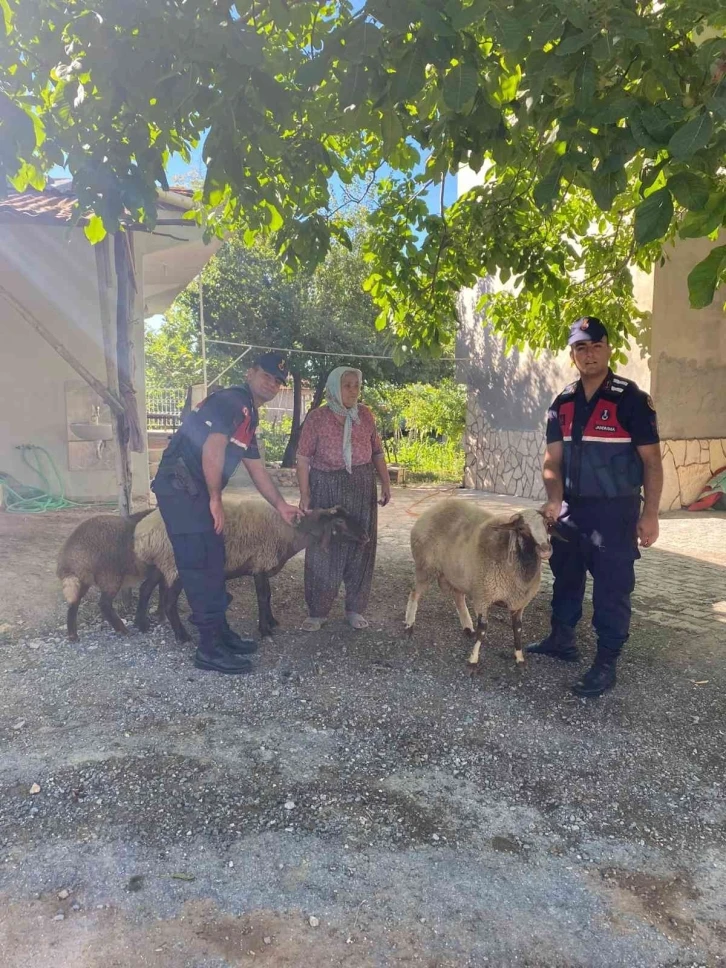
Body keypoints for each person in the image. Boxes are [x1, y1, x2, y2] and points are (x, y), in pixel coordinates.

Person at [527, 316, 663, 697]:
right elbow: (552, 461)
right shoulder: (563, 403)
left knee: (612, 586)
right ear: (573, 355)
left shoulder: (631, 400)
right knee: (565, 574)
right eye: (580, 348)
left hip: (615, 513)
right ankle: (562, 639)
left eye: (595, 346)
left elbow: (652, 462)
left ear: (608, 349)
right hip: (572, 510)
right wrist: (554, 500)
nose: (589, 354)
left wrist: (649, 514)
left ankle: (606, 661)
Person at [152, 351, 301, 675]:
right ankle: (208, 649)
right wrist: (215, 497)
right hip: (181, 488)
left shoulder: (248, 415)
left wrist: (280, 505)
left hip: (194, 489)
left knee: (214, 558)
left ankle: (221, 634)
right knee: (199, 563)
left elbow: (257, 468)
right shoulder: (234, 402)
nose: (272, 384)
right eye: (267, 375)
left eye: (278, 381)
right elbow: (213, 447)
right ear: (250, 372)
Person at [296, 366, 391, 631]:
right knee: (323, 547)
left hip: (361, 486)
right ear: (335, 387)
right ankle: (318, 611)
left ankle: (354, 608)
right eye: (347, 385)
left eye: (356, 385)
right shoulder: (317, 418)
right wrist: (305, 494)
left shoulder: (366, 415)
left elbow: (377, 453)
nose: (352, 390)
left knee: (361, 544)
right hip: (326, 487)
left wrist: (385, 482)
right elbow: (303, 459)